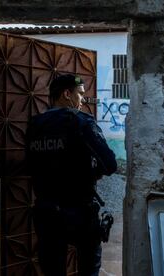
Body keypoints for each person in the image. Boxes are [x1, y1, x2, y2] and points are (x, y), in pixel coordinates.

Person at [25, 74, 117, 276]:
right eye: (80, 94)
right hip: (79, 212)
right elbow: (110, 164)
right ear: (67, 94)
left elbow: (29, 165)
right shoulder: (80, 121)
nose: (82, 100)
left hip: (46, 211)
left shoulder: (35, 124)